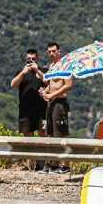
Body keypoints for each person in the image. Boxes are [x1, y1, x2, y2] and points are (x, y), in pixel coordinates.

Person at [41, 42, 73, 172]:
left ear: (59, 51)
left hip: (60, 102)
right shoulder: (51, 66)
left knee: (61, 134)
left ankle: (65, 166)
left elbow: (68, 85)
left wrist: (52, 94)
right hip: (51, 102)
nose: (51, 53)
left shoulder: (65, 65)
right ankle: (53, 164)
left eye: (54, 51)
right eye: (49, 51)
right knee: (50, 133)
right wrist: (45, 92)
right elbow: (51, 84)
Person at [10, 48, 47, 136]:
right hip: (25, 110)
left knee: (44, 133)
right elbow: (13, 85)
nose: (31, 61)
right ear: (26, 59)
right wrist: (23, 72)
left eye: (33, 59)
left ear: (37, 59)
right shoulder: (21, 72)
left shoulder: (43, 71)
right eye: (29, 59)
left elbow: (48, 82)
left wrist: (37, 70)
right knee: (27, 136)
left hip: (42, 110)